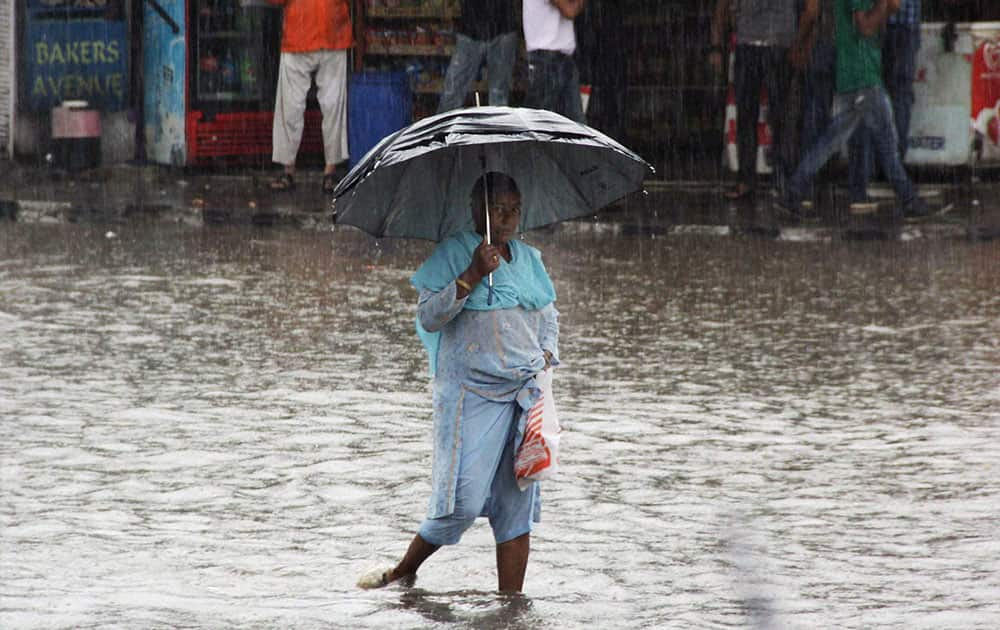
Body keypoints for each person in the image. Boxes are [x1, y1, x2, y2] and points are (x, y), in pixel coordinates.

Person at [357, 172, 560, 593]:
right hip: (471, 394)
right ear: (477, 211)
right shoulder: (453, 254)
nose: (507, 218)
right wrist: (470, 274)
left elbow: (548, 316)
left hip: (522, 393)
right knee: (461, 501)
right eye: (498, 209)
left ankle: (510, 608)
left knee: (515, 504)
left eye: (514, 209)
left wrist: (546, 354)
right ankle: (403, 570)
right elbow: (430, 317)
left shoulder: (529, 260)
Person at [776, 0, 930, 219]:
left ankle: (794, 190)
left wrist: (886, 8)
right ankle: (909, 200)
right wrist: (885, 6)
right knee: (883, 144)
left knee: (834, 140)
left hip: (856, 74)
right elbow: (865, 27)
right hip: (862, 75)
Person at [710, 0, 798, 200]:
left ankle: (779, 179)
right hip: (753, 44)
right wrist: (716, 45)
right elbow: (722, 7)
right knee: (749, 116)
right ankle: (751, 180)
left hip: (777, 43)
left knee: (778, 117)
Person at [267, 0, 352, 194]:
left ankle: (288, 170)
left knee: (290, 107)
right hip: (332, 33)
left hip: (300, 33)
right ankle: (330, 172)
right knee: (333, 107)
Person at [850, 0, 920, 203]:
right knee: (899, 98)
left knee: (867, 97)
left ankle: (864, 176)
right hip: (903, 25)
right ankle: (893, 173)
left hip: (874, 22)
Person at [437, 1, 519, 112]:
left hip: (500, 29)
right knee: (452, 92)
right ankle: (444, 125)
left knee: (498, 97)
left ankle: (497, 126)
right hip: (474, 29)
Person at [523, 0, 586, 123]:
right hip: (546, 59)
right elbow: (569, 11)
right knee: (542, 122)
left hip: (557, 58)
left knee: (572, 123)